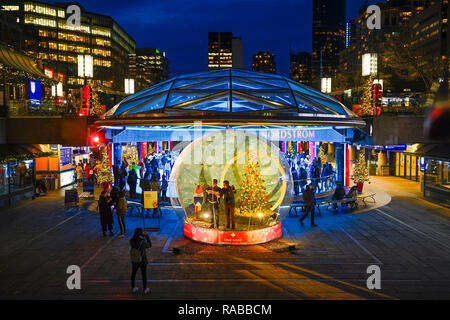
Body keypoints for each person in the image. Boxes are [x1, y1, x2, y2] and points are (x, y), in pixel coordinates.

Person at [129, 228, 152, 294]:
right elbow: (150, 245)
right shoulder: (142, 242)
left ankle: (133, 288)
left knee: (133, 274)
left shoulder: (131, 240)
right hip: (142, 260)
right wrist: (146, 236)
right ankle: (145, 289)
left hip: (134, 260)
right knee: (143, 275)